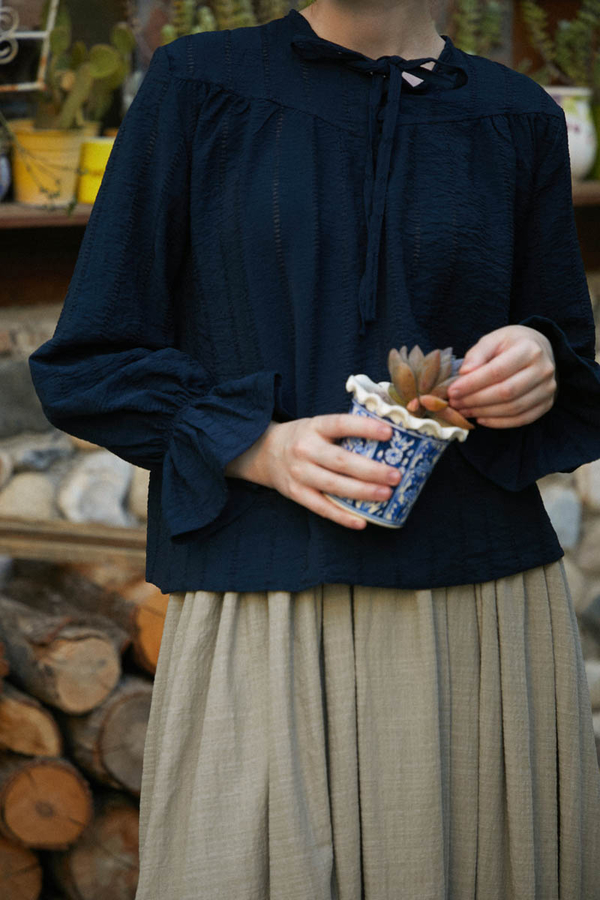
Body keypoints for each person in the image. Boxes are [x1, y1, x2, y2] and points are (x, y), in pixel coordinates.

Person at [29, 1, 600, 897]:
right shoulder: (198, 85)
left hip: (479, 610)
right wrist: (253, 443)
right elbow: (91, 359)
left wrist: (539, 360)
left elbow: (564, 344)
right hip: (263, 602)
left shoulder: (516, 113)